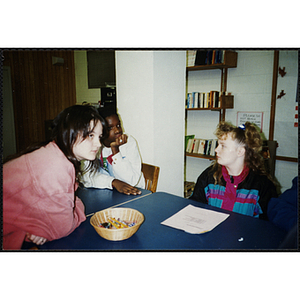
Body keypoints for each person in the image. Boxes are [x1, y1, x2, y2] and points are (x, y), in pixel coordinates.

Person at [3, 105, 106, 250]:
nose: (98, 144)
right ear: (70, 132)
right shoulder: (56, 167)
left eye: (99, 137)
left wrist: (41, 227)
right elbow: (63, 227)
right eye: (90, 135)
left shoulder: (53, 153)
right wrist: (78, 210)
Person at [190, 121, 278, 220]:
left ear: (240, 151)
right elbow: (194, 208)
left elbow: (268, 225)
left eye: (223, 146)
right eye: (218, 145)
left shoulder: (262, 185)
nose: (216, 150)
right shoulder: (209, 176)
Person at [81, 106, 145, 192]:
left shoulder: (129, 142)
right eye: (110, 128)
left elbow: (131, 181)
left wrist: (115, 151)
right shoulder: (93, 145)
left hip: (134, 191)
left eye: (118, 125)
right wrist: (113, 182)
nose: (117, 130)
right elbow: (87, 177)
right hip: (108, 191)